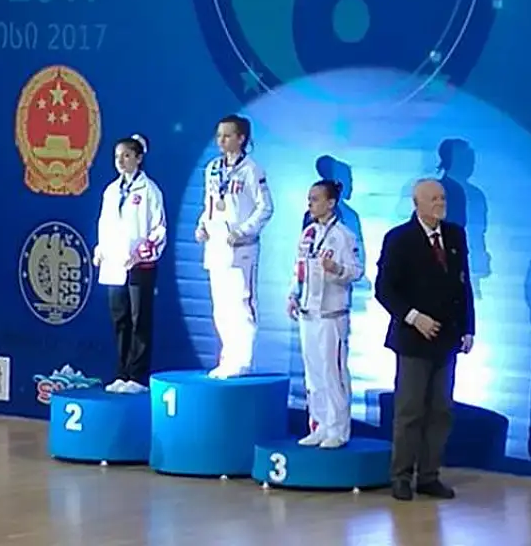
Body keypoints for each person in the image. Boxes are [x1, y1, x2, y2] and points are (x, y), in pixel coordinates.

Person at [374, 178, 475, 501]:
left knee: (441, 410)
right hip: (413, 339)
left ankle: (429, 475)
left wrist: (468, 327)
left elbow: (463, 285)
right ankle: (401, 476)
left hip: (447, 339)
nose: (440, 203)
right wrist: (414, 317)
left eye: (442, 198)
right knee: (410, 410)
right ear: (416, 203)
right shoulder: (399, 239)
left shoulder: (456, 235)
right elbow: (384, 289)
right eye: (433, 199)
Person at [195, 115, 273, 378]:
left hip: (241, 249)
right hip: (216, 247)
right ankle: (227, 358)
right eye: (219, 135)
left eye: (227, 135)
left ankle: (243, 360)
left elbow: (265, 208)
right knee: (221, 307)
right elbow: (209, 204)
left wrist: (243, 231)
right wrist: (202, 225)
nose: (221, 140)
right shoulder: (212, 168)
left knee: (241, 304)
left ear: (241, 138)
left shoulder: (252, 170)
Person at [287, 179, 363, 449]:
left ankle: (338, 429)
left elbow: (357, 271)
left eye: (315, 199)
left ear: (331, 203)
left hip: (332, 313)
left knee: (333, 372)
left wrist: (337, 269)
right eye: (309, 199)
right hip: (308, 310)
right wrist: (293, 294)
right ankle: (318, 425)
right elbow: (298, 268)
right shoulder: (307, 233)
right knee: (314, 373)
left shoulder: (343, 235)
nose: (310, 204)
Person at [93, 134, 166, 394]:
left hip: (140, 266)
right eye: (117, 156)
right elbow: (105, 224)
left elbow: (159, 229)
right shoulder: (111, 191)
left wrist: (140, 253)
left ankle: (138, 376)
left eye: (126, 155)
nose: (121, 161)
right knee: (120, 319)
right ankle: (121, 373)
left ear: (139, 158)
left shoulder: (149, 190)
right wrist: (100, 249)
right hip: (114, 266)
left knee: (139, 320)